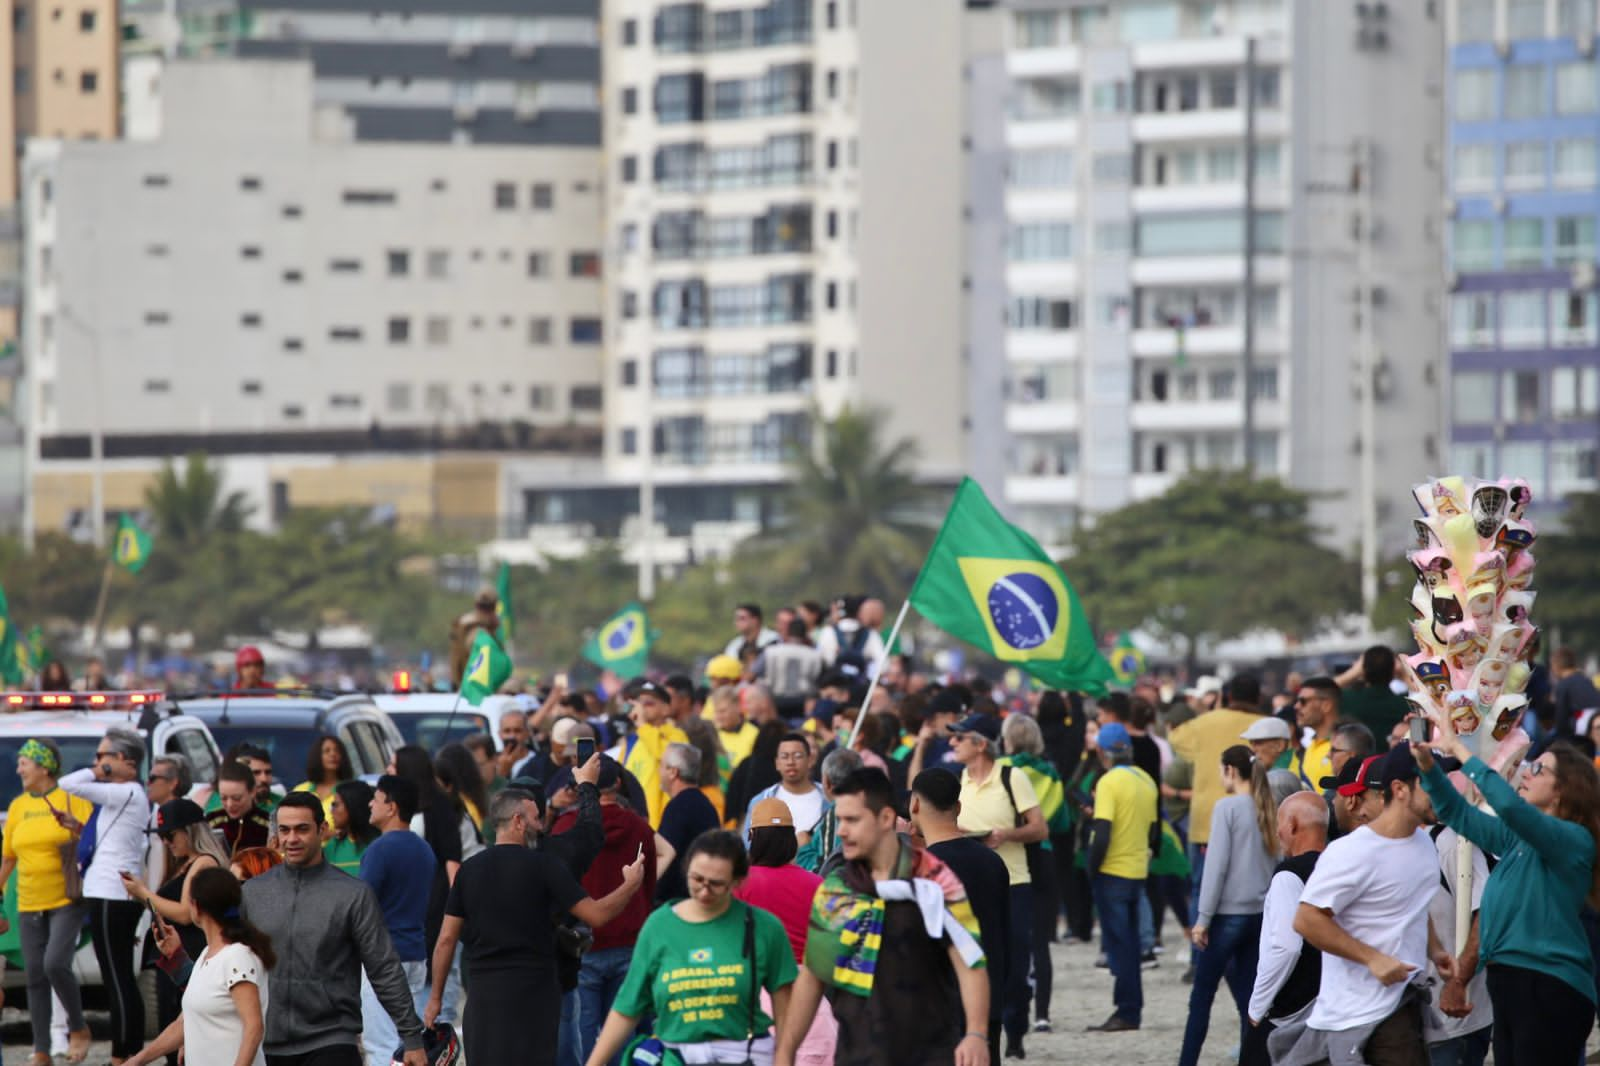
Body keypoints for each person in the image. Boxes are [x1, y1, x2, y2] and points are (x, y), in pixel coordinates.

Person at [1418, 715, 1600, 1064]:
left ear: (1564, 789)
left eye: (1539, 769)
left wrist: (1459, 749)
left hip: (1549, 984)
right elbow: (1458, 814)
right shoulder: (1521, 838)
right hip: (1511, 982)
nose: (1527, 773)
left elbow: (1510, 808)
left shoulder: (1574, 840)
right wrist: (1429, 769)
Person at [776, 769, 988, 1066]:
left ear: (886, 819)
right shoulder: (837, 889)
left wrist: (976, 1034)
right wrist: (786, 1051)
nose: (841, 831)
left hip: (930, 1052)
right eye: (840, 820)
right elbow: (813, 977)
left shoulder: (935, 879)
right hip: (858, 1053)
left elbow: (970, 960)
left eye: (852, 820)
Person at [427, 789, 646, 1066]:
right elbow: (597, 915)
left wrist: (435, 999)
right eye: (535, 819)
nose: (541, 827)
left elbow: (446, 939)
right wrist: (630, 886)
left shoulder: (469, 870)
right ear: (518, 821)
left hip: (485, 996)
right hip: (535, 994)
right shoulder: (545, 867)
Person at [1279, 742, 1441, 1066]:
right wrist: (1373, 959)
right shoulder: (1352, 852)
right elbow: (1307, 919)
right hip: (1356, 1014)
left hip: (1402, 1004)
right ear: (1400, 790)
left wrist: (1436, 951)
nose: (1445, 792)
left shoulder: (1424, 843)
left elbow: (1412, 905)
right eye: (1433, 784)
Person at [242, 792, 427, 1066]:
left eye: (302, 829)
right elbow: (231, 965)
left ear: (322, 830)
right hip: (269, 1044)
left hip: (332, 1040)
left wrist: (411, 1037)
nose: (292, 839)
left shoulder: (352, 894)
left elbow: (383, 967)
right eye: (285, 830)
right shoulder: (253, 893)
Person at [948, 712, 1043, 1059]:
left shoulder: (1011, 777)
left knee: (1015, 966)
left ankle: (1016, 1029)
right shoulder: (960, 780)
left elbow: (1039, 828)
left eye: (960, 737)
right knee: (978, 961)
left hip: (1014, 882)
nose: (953, 743)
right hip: (972, 883)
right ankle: (986, 1034)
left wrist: (1007, 835)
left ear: (981, 744)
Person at [551, 757, 657, 1065]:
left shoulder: (566, 826)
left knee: (583, 1037)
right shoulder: (640, 827)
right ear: (620, 783)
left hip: (581, 943)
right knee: (622, 1033)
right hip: (628, 941)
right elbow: (647, 886)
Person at [1180, 744, 1278, 1066]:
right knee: (1251, 1002)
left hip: (1227, 915)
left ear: (1230, 771)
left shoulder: (1227, 808)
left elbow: (1216, 866)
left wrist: (1202, 918)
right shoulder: (1269, 806)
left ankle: (1187, 1061)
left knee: (1202, 998)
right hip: (1260, 915)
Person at [61, 725, 154, 1066]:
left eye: (104, 756)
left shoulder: (127, 790)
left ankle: (122, 1055)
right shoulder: (125, 795)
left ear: (124, 761)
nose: (98, 763)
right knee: (120, 979)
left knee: (117, 980)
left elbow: (67, 784)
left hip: (112, 895)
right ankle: (127, 1052)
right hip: (109, 892)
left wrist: (99, 772)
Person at [2, 737, 94, 1066]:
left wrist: (76, 831)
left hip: (66, 899)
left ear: (44, 767)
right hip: (28, 901)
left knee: (55, 963)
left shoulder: (71, 799)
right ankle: (42, 1049)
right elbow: (8, 858)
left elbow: (93, 838)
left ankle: (79, 1028)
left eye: (24, 763)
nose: (18, 769)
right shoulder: (18, 806)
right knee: (35, 974)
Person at [125, 867, 274, 1066]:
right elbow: (185, 1023)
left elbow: (254, 1028)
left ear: (195, 906)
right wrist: (137, 1061)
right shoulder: (208, 954)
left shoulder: (237, 957)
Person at [912, 768, 1011, 1063]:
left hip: (937, 1007)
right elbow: (1005, 933)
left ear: (914, 805)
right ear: (958, 807)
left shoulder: (922, 868)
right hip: (988, 999)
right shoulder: (993, 861)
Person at [735, 799, 837, 1066]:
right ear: (790, 839)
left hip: (753, 1003)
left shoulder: (738, 884)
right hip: (813, 1007)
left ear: (753, 837)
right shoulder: (818, 884)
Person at [129, 798, 233, 1055]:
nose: (166, 841)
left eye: (170, 835)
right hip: (175, 956)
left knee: (185, 1035)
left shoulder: (203, 862)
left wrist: (143, 893)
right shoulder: (185, 863)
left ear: (191, 831)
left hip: (191, 953)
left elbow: (186, 914)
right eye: (162, 836)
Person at [1168, 675, 1267, 938]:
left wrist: (1212, 710)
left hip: (1205, 822)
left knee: (1202, 890)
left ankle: (1198, 956)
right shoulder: (1263, 726)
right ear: (1258, 698)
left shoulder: (1203, 724)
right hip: (1254, 819)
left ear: (1227, 697)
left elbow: (1176, 737)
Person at [1243, 791, 1329, 1066]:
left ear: (1292, 825)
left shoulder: (1288, 876)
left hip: (1287, 1011)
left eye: (1279, 823)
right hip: (1329, 1006)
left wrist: (1258, 1006)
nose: (1277, 832)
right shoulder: (1339, 867)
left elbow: (1285, 946)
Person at [1085, 722, 1160, 1034]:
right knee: (1128, 946)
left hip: (1112, 872)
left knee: (1121, 948)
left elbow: (1102, 834)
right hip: (1136, 871)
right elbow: (1154, 833)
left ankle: (1127, 1012)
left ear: (1102, 752)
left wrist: (1092, 869)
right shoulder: (1146, 780)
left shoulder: (1108, 783)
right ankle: (1129, 1009)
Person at [358, 776, 437, 1066]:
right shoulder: (423, 848)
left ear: (391, 806)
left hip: (382, 958)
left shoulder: (380, 849)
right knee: (407, 1043)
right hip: (415, 954)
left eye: (376, 799)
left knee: (381, 1045)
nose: (370, 804)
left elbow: (362, 904)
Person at [999, 713, 1067, 1037]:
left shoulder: (1001, 771)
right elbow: (1063, 822)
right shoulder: (1051, 773)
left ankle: (1009, 1008)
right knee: (1040, 942)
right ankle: (1042, 1014)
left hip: (1008, 855)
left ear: (1007, 739)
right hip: (1043, 856)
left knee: (1009, 938)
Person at [390, 744, 466, 1027]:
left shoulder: (439, 805)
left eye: (393, 766)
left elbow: (452, 860)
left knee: (437, 973)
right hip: (406, 905)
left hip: (435, 904)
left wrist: (456, 907)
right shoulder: (397, 807)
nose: (387, 771)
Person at [619, 679, 689, 828]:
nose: (642, 708)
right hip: (632, 823)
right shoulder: (633, 739)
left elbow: (668, 758)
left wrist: (643, 726)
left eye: (648, 703)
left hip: (661, 824)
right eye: (638, 703)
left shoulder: (677, 735)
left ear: (666, 709)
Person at [656, 742, 720, 903]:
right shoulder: (705, 804)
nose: (658, 771)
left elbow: (666, 856)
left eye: (661, 765)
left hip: (678, 902)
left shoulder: (677, 808)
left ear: (673, 772)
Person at [743, 733, 827, 842]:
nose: (790, 762)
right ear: (777, 763)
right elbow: (749, 844)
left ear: (810, 760)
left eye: (797, 756)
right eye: (784, 756)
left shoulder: (828, 798)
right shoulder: (761, 801)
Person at [794, 747, 861, 875]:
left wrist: (804, 849)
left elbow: (825, 871)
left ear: (827, 783)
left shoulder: (837, 813)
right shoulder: (872, 805)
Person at [1338, 646, 1409, 749]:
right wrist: (1405, 674)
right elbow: (1424, 698)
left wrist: (1353, 672)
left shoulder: (1347, 699)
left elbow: (1324, 690)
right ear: (1393, 671)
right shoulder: (1404, 703)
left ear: (1363, 670)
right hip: (1393, 761)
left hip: (1356, 761)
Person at [207, 761, 272, 855]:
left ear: (253, 792)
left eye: (236, 798)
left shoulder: (267, 824)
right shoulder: (211, 821)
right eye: (223, 798)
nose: (230, 804)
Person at [291, 735, 354, 823]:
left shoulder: (349, 791)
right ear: (317, 756)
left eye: (337, 750)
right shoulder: (300, 790)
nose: (333, 754)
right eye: (327, 751)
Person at [1295, 677, 1344, 788]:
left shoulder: (1345, 747)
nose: (1296, 706)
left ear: (1326, 705)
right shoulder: (1310, 745)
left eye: (1303, 701)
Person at [323, 780, 377, 877]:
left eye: (335, 805)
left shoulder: (380, 844)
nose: (331, 811)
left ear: (352, 805)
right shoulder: (331, 847)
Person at [1554, 647, 1600, 738]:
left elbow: (1561, 720)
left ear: (1556, 665)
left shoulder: (1563, 684)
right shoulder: (1585, 679)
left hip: (1586, 728)